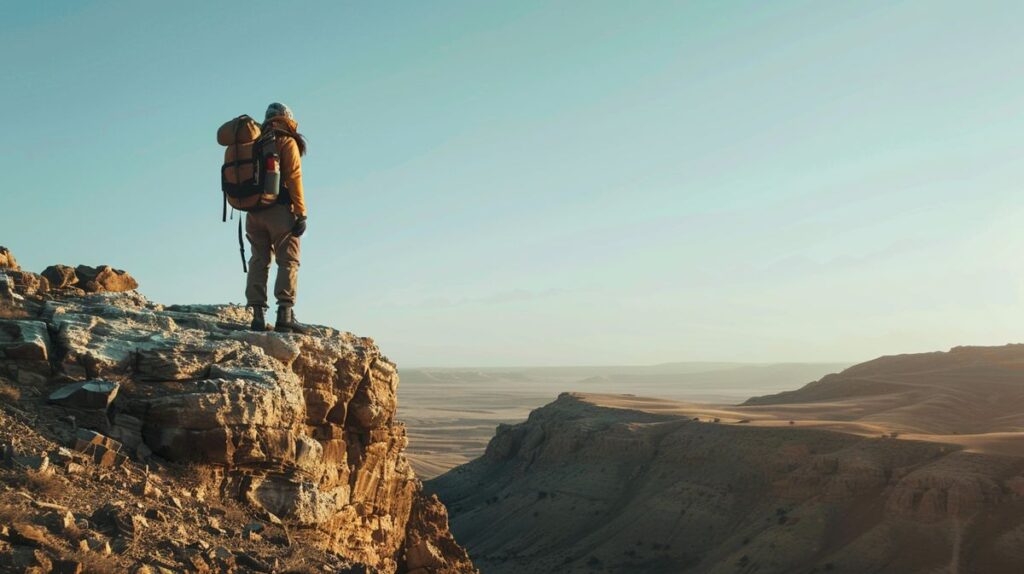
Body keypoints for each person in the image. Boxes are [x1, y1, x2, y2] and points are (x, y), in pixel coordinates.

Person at [245, 102, 308, 333]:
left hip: (253, 212)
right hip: (280, 210)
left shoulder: (253, 142)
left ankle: (257, 316)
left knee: (259, 261)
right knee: (288, 260)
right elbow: (294, 178)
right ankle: (285, 314)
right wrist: (301, 213)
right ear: (287, 119)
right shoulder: (286, 141)